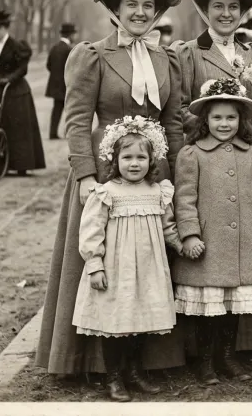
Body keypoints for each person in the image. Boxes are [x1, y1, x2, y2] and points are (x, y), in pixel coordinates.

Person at [35, 0, 187, 377]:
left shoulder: (167, 61)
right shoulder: (92, 56)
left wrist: (174, 177)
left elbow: (173, 123)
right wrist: (85, 174)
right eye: (131, 5)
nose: (140, 13)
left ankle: (151, 360)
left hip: (152, 175)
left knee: (149, 265)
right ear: (115, 10)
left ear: (158, 13)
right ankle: (91, 361)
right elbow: (77, 119)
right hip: (105, 173)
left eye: (148, 7)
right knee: (101, 263)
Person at [174, 0, 252, 353]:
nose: (225, 14)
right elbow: (180, 108)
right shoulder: (188, 53)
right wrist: (211, 128)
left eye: (233, 7)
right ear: (204, 9)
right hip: (207, 166)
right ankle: (203, 353)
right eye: (217, 6)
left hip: (248, 161)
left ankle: (237, 349)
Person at [73, 116, 181, 402]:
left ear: (151, 160)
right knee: (116, 323)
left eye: (141, 157)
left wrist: (181, 245)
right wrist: (94, 265)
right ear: (114, 159)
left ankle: (135, 373)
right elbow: (91, 232)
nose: (135, 164)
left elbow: (168, 226)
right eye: (127, 157)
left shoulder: (158, 191)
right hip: (117, 270)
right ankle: (113, 378)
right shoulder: (106, 193)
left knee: (142, 321)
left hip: (148, 268)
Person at [174, 78, 252, 385]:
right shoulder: (192, 155)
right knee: (209, 306)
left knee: (234, 305)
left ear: (242, 120)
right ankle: (204, 361)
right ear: (205, 120)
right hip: (208, 243)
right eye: (217, 117)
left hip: (243, 242)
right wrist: (189, 234)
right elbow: (184, 198)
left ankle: (227, 357)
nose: (224, 123)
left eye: (231, 117)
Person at [0, 9, 46, 176]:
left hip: (17, 91)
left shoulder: (16, 46)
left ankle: (21, 164)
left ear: (6, 28)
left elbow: (22, 68)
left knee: (18, 127)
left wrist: (10, 78)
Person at [46, 23, 76, 140]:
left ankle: (52, 133)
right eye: (73, 34)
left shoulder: (54, 47)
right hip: (66, 85)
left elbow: (48, 65)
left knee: (56, 110)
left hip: (55, 85)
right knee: (70, 109)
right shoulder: (69, 49)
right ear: (70, 35)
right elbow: (73, 68)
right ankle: (68, 133)